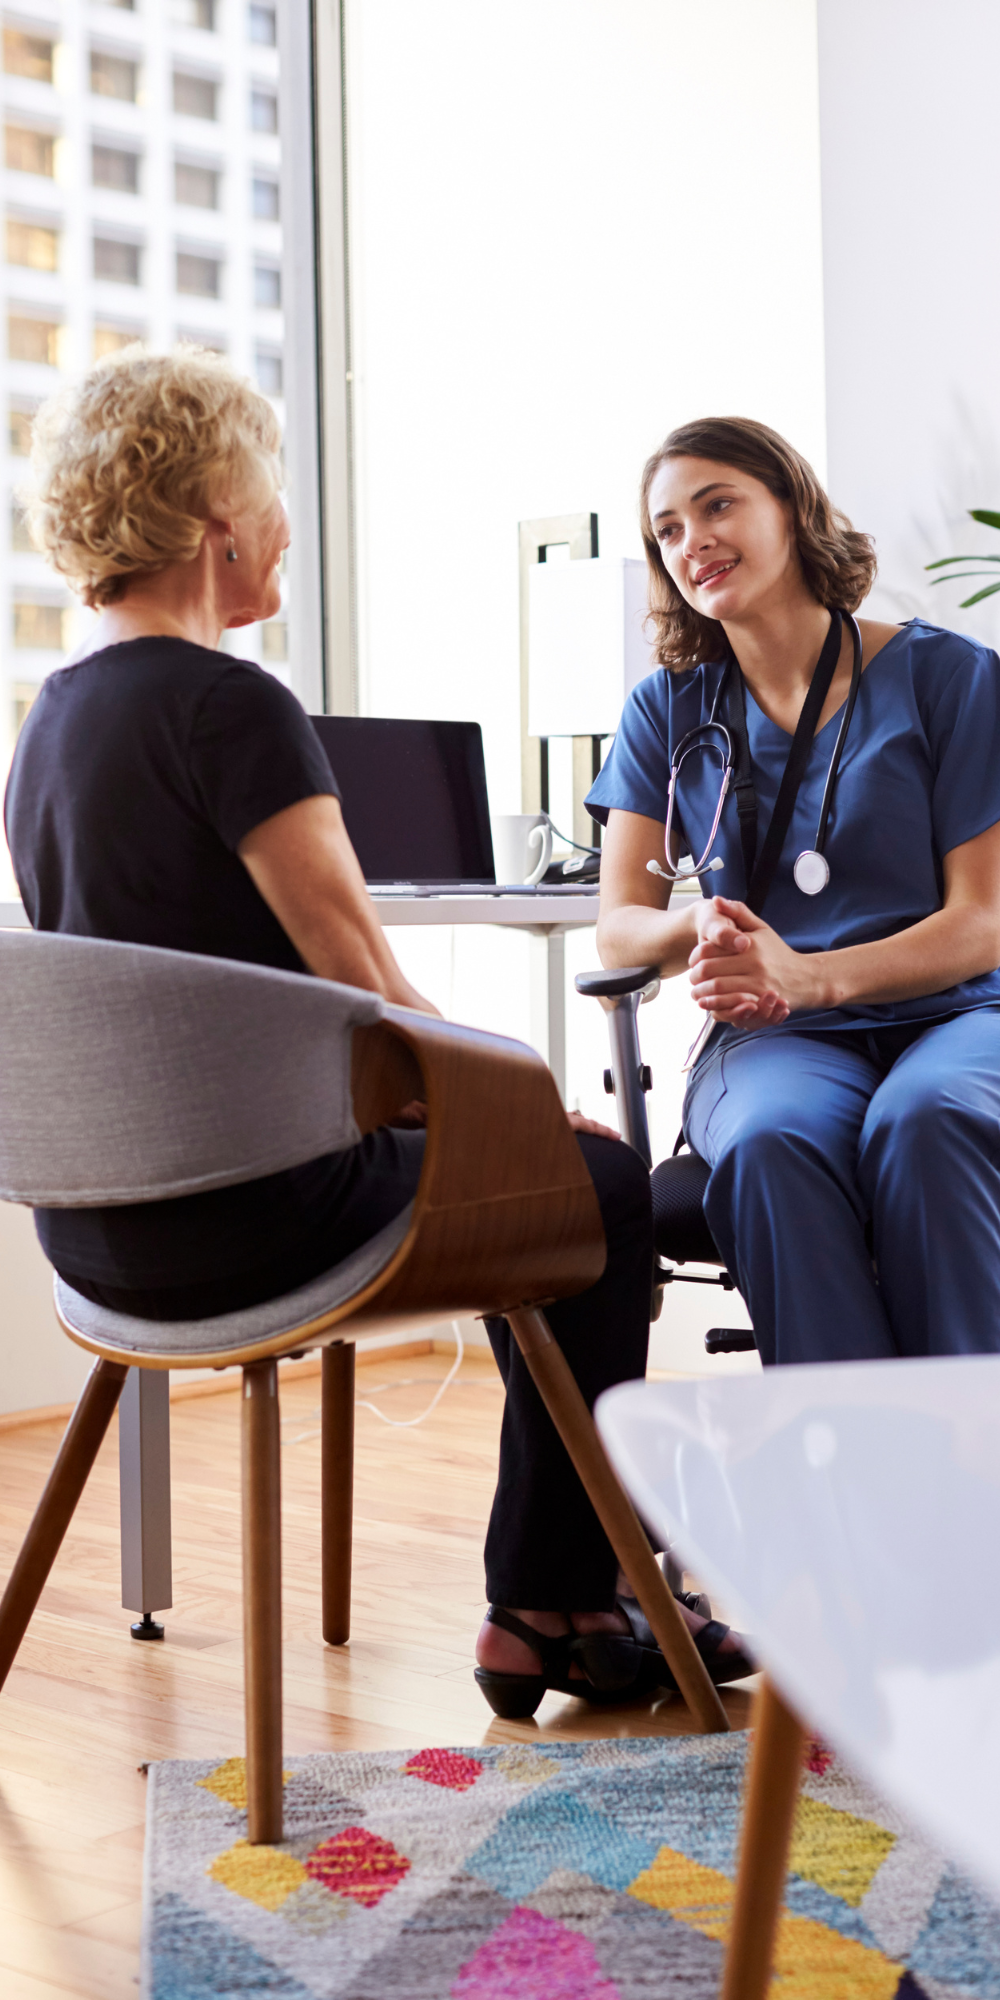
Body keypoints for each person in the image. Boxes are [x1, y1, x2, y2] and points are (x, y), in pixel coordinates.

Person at [8, 347, 749, 1715]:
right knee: (600, 1189)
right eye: (272, 483)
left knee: (553, 1168)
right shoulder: (232, 706)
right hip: (260, 1215)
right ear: (217, 516)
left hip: (102, 1232)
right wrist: (531, 1104)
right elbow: (371, 989)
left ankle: (571, 1595)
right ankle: (554, 1604)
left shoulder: (48, 721)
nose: (284, 515)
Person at [588, 415, 1000, 1368]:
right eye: (668, 530)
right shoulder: (668, 708)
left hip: (958, 1013)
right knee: (772, 1140)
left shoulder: (948, 678)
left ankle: (971, 1470)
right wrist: (700, 918)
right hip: (776, 1037)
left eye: (717, 504)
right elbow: (618, 928)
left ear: (794, 508)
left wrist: (811, 976)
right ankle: (841, 1481)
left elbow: (983, 922)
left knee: (929, 1119)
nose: (693, 541)